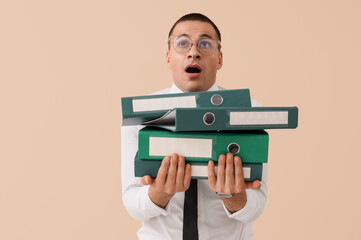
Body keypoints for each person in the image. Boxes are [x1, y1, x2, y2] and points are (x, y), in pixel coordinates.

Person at [121, 13, 268, 240]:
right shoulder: (141, 115)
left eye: (205, 44)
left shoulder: (247, 113)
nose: (193, 52)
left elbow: (257, 204)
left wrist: (233, 197)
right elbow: (131, 201)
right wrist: (160, 193)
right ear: (168, 57)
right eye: (182, 43)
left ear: (219, 58)